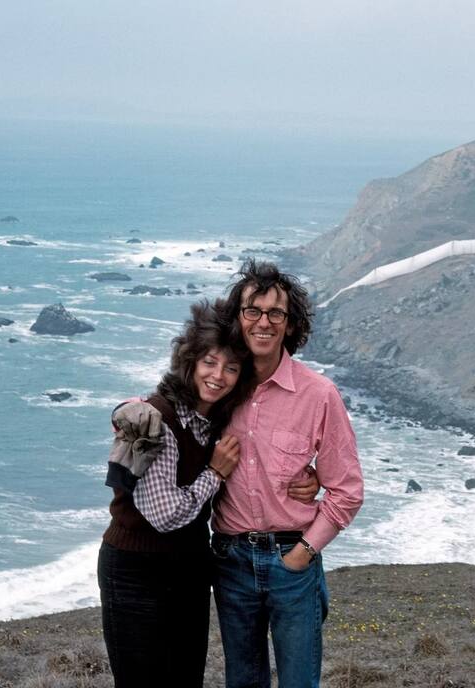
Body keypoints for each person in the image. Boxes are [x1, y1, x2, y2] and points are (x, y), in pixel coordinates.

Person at [97, 299, 318, 688]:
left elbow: (258, 463)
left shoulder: (215, 422)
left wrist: (309, 476)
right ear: (190, 362)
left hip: (190, 570)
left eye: (231, 368)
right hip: (136, 572)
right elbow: (165, 515)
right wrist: (214, 473)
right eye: (209, 363)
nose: (219, 376)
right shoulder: (155, 420)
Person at [212, 260, 364, 688]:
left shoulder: (319, 395)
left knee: (299, 683)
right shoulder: (218, 385)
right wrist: (130, 411)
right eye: (253, 311)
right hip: (231, 561)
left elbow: (348, 490)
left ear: (291, 323)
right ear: (237, 319)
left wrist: (303, 554)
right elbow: (167, 404)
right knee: (243, 683)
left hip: (291, 563)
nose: (264, 322)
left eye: (276, 313)